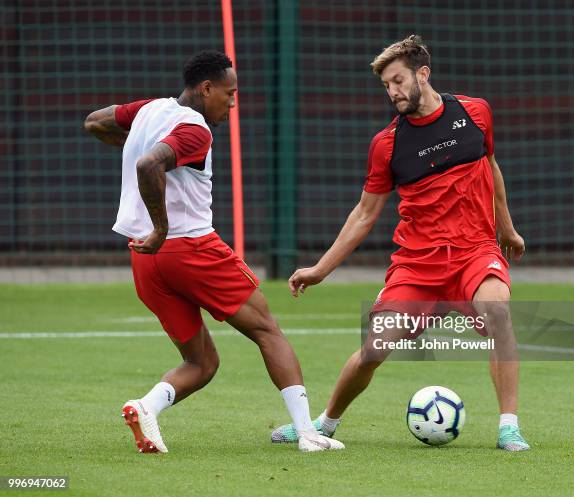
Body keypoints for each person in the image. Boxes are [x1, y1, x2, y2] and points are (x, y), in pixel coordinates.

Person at [271, 35, 530, 451]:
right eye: (386, 86)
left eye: (397, 81)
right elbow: (364, 214)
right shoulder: (387, 144)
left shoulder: (475, 112)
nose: (392, 92)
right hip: (418, 264)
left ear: (422, 74)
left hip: (475, 252)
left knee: (498, 314)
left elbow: (491, 168)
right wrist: (320, 269)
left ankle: (508, 427)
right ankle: (325, 422)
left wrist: (508, 229)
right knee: (374, 349)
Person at [84, 50, 343, 453]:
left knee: (203, 364)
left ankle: (145, 406)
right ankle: (308, 434)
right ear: (206, 89)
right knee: (267, 330)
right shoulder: (195, 129)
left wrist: (134, 144)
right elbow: (149, 164)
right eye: (230, 93)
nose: (233, 103)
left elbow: (95, 121)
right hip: (190, 249)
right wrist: (161, 227)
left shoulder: (151, 110)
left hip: (145, 261)